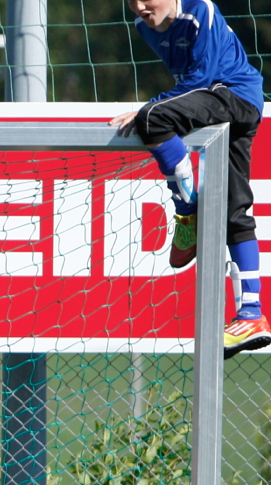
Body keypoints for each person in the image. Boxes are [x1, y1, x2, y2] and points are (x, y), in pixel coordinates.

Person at [109, 0, 265, 359]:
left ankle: (187, 212)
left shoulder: (201, 10)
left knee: (151, 120)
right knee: (233, 211)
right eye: (131, 1)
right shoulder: (144, 27)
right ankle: (252, 315)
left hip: (233, 95)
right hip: (221, 104)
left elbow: (203, 78)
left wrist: (154, 107)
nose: (140, 6)